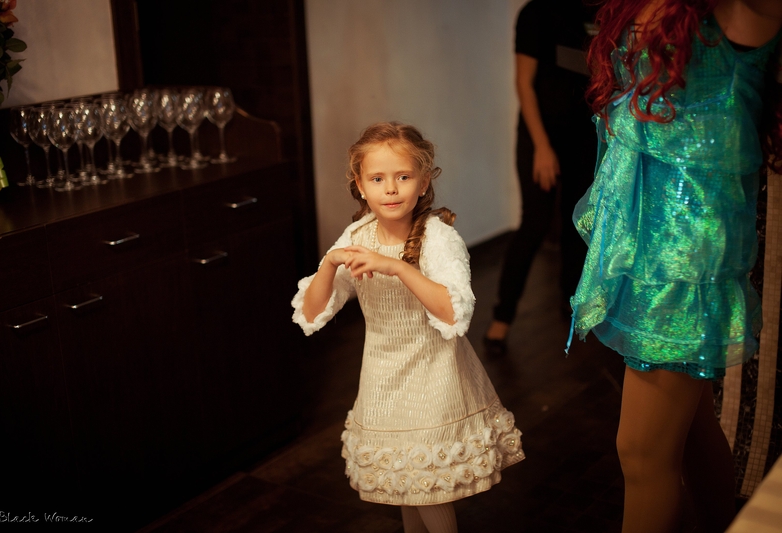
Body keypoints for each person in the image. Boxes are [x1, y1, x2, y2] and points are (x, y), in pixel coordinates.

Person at [569, 1, 782, 531]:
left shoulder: (738, 7)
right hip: (646, 243)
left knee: (641, 452)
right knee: (691, 431)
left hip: (688, 257)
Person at [292, 122, 524, 533]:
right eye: (377, 179)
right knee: (405, 483)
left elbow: (453, 314)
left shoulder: (439, 238)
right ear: (360, 186)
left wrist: (397, 267)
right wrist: (328, 264)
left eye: (403, 177)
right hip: (382, 377)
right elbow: (312, 313)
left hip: (434, 374)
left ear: (424, 181)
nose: (391, 189)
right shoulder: (357, 235)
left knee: (426, 490)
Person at [484, 0, 599, 355]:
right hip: (541, 138)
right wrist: (543, 147)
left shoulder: (595, 13)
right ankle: (502, 317)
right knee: (534, 224)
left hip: (584, 137)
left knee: (577, 224)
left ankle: (570, 302)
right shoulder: (536, 13)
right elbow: (524, 83)